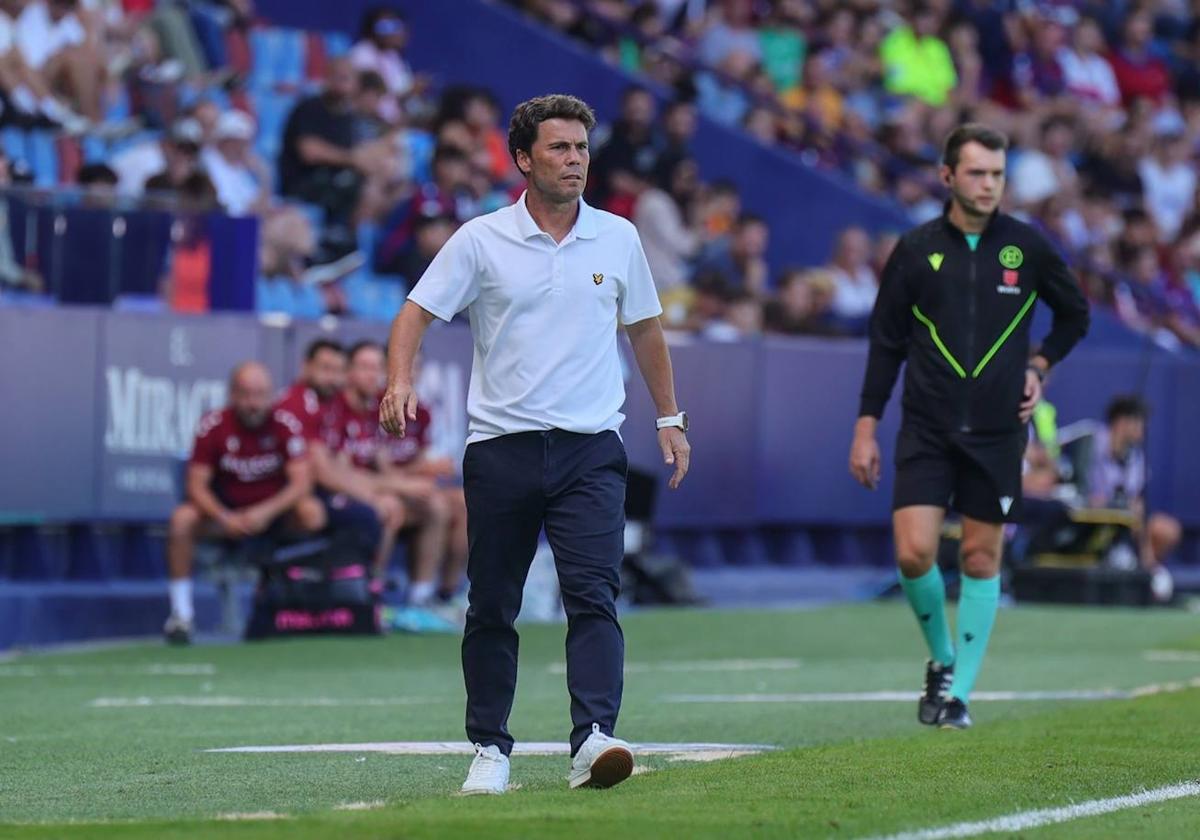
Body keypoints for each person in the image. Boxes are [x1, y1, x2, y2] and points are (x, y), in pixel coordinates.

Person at [379, 94, 690, 794]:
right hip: (502, 447)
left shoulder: (618, 237)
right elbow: (414, 313)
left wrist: (670, 419)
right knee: (492, 602)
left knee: (593, 594)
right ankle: (490, 747)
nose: (575, 159)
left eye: (581, 148)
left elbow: (645, 330)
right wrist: (399, 380)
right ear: (523, 159)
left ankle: (594, 738)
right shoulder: (480, 238)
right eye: (559, 148)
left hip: (591, 448)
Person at [849, 124, 1089, 730]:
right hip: (927, 428)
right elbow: (885, 343)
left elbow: (1075, 315)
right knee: (913, 553)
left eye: (998, 174)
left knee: (982, 561)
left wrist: (1039, 365)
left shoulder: (1028, 248)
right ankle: (942, 660)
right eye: (978, 172)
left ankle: (957, 696)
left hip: (998, 432)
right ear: (948, 176)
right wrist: (866, 426)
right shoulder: (915, 248)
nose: (989, 184)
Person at [164, 362, 324, 645]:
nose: (254, 403)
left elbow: (301, 482)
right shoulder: (212, 425)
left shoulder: (285, 423)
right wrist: (226, 518)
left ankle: (301, 601)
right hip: (226, 517)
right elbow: (196, 485)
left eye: (260, 394)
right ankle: (181, 613)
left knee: (312, 513)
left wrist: (265, 513)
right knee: (182, 520)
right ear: (232, 394)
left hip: (271, 515)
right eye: (246, 394)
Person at [275, 339, 405, 582]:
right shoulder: (297, 403)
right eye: (325, 369)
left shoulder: (330, 405)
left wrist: (374, 493)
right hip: (289, 491)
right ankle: (354, 591)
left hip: (318, 489)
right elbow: (322, 470)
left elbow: (337, 467)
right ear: (306, 366)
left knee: (386, 508)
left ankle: (367, 589)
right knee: (367, 515)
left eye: (337, 371)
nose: (332, 378)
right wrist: (371, 497)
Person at [1087, 396, 1181, 597]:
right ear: (1122, 421)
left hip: (1122, 522)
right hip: (1087, 516)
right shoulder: (1091, 440)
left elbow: (1135, 500)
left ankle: (1144, 571)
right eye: (1138, 421)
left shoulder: (1136, 458)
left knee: (1166, 528)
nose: (1143, 428)